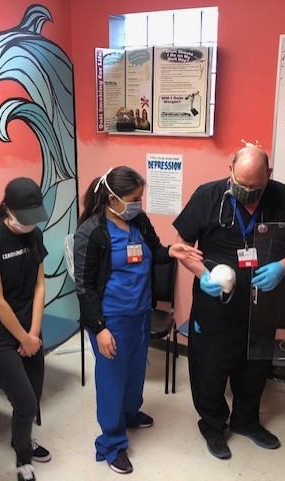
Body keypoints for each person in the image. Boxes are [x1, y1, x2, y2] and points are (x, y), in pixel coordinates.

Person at [173, 144, 285, 460]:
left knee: (255, 368)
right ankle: (212, 425)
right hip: (215, 310)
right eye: (241, 184)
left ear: (269, 177)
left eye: (255, 187)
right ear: (230, 169)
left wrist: (283, 267)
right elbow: (181, 247)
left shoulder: (282, 197)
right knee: (209, 369)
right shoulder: (207, 197)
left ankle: (246, 422)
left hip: (262, 306)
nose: (247, 192)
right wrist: (202, 274)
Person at [73, 166, 202, 474]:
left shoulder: (137, 220)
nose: (138, 204)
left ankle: (130, 414)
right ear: (111, 197)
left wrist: (173, 250)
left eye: (140, 198)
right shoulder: (92, 233)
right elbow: (84, 287)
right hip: (111, 319)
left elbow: (154, 251)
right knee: (112, 381)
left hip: (141, 312)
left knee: (134, 374)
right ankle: (112, 443)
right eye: (133, 198)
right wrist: (100, 329)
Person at [0, 177, 52, 481]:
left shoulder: (34, 236)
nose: (31, 224)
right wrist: (23, 338)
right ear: (9, 209)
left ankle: (21, 437)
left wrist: (34, 333)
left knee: (35, 393)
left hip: (30, 329)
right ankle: (22, 461)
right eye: (25, 217)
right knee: (25, 401)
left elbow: (40, 284)